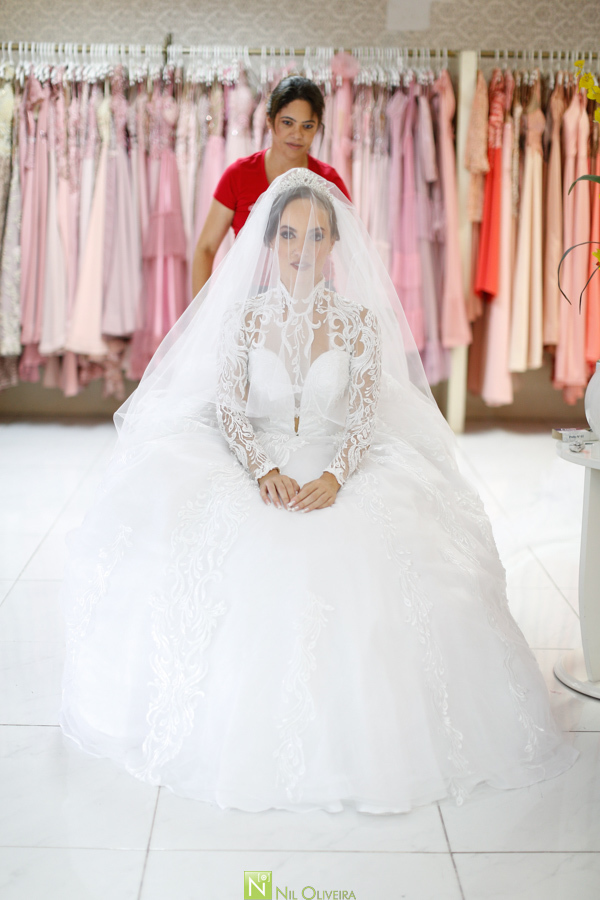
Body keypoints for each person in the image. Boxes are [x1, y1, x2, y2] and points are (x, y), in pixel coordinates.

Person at [59, 169, 578, 814]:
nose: (302, 249)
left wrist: (335, 474)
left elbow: (362, 417)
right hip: (263, 462)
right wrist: (261, 469)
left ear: (335, 245)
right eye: (289, 235)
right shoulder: (243, 320)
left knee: (382, 560)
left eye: (316, 236)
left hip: (336, 462)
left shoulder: (358, 324)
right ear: (269, 241)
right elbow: (230, 409)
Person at [191, 75, 350, 295]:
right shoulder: (239, 175)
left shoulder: (328, 181)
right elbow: (206, 249)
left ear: (317, 128)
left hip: (314, 295)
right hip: (251, 295)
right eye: (287, 123)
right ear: (269, 120)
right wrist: (202, 309)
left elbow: (351, 251)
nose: (297, 134)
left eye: (307, 126)